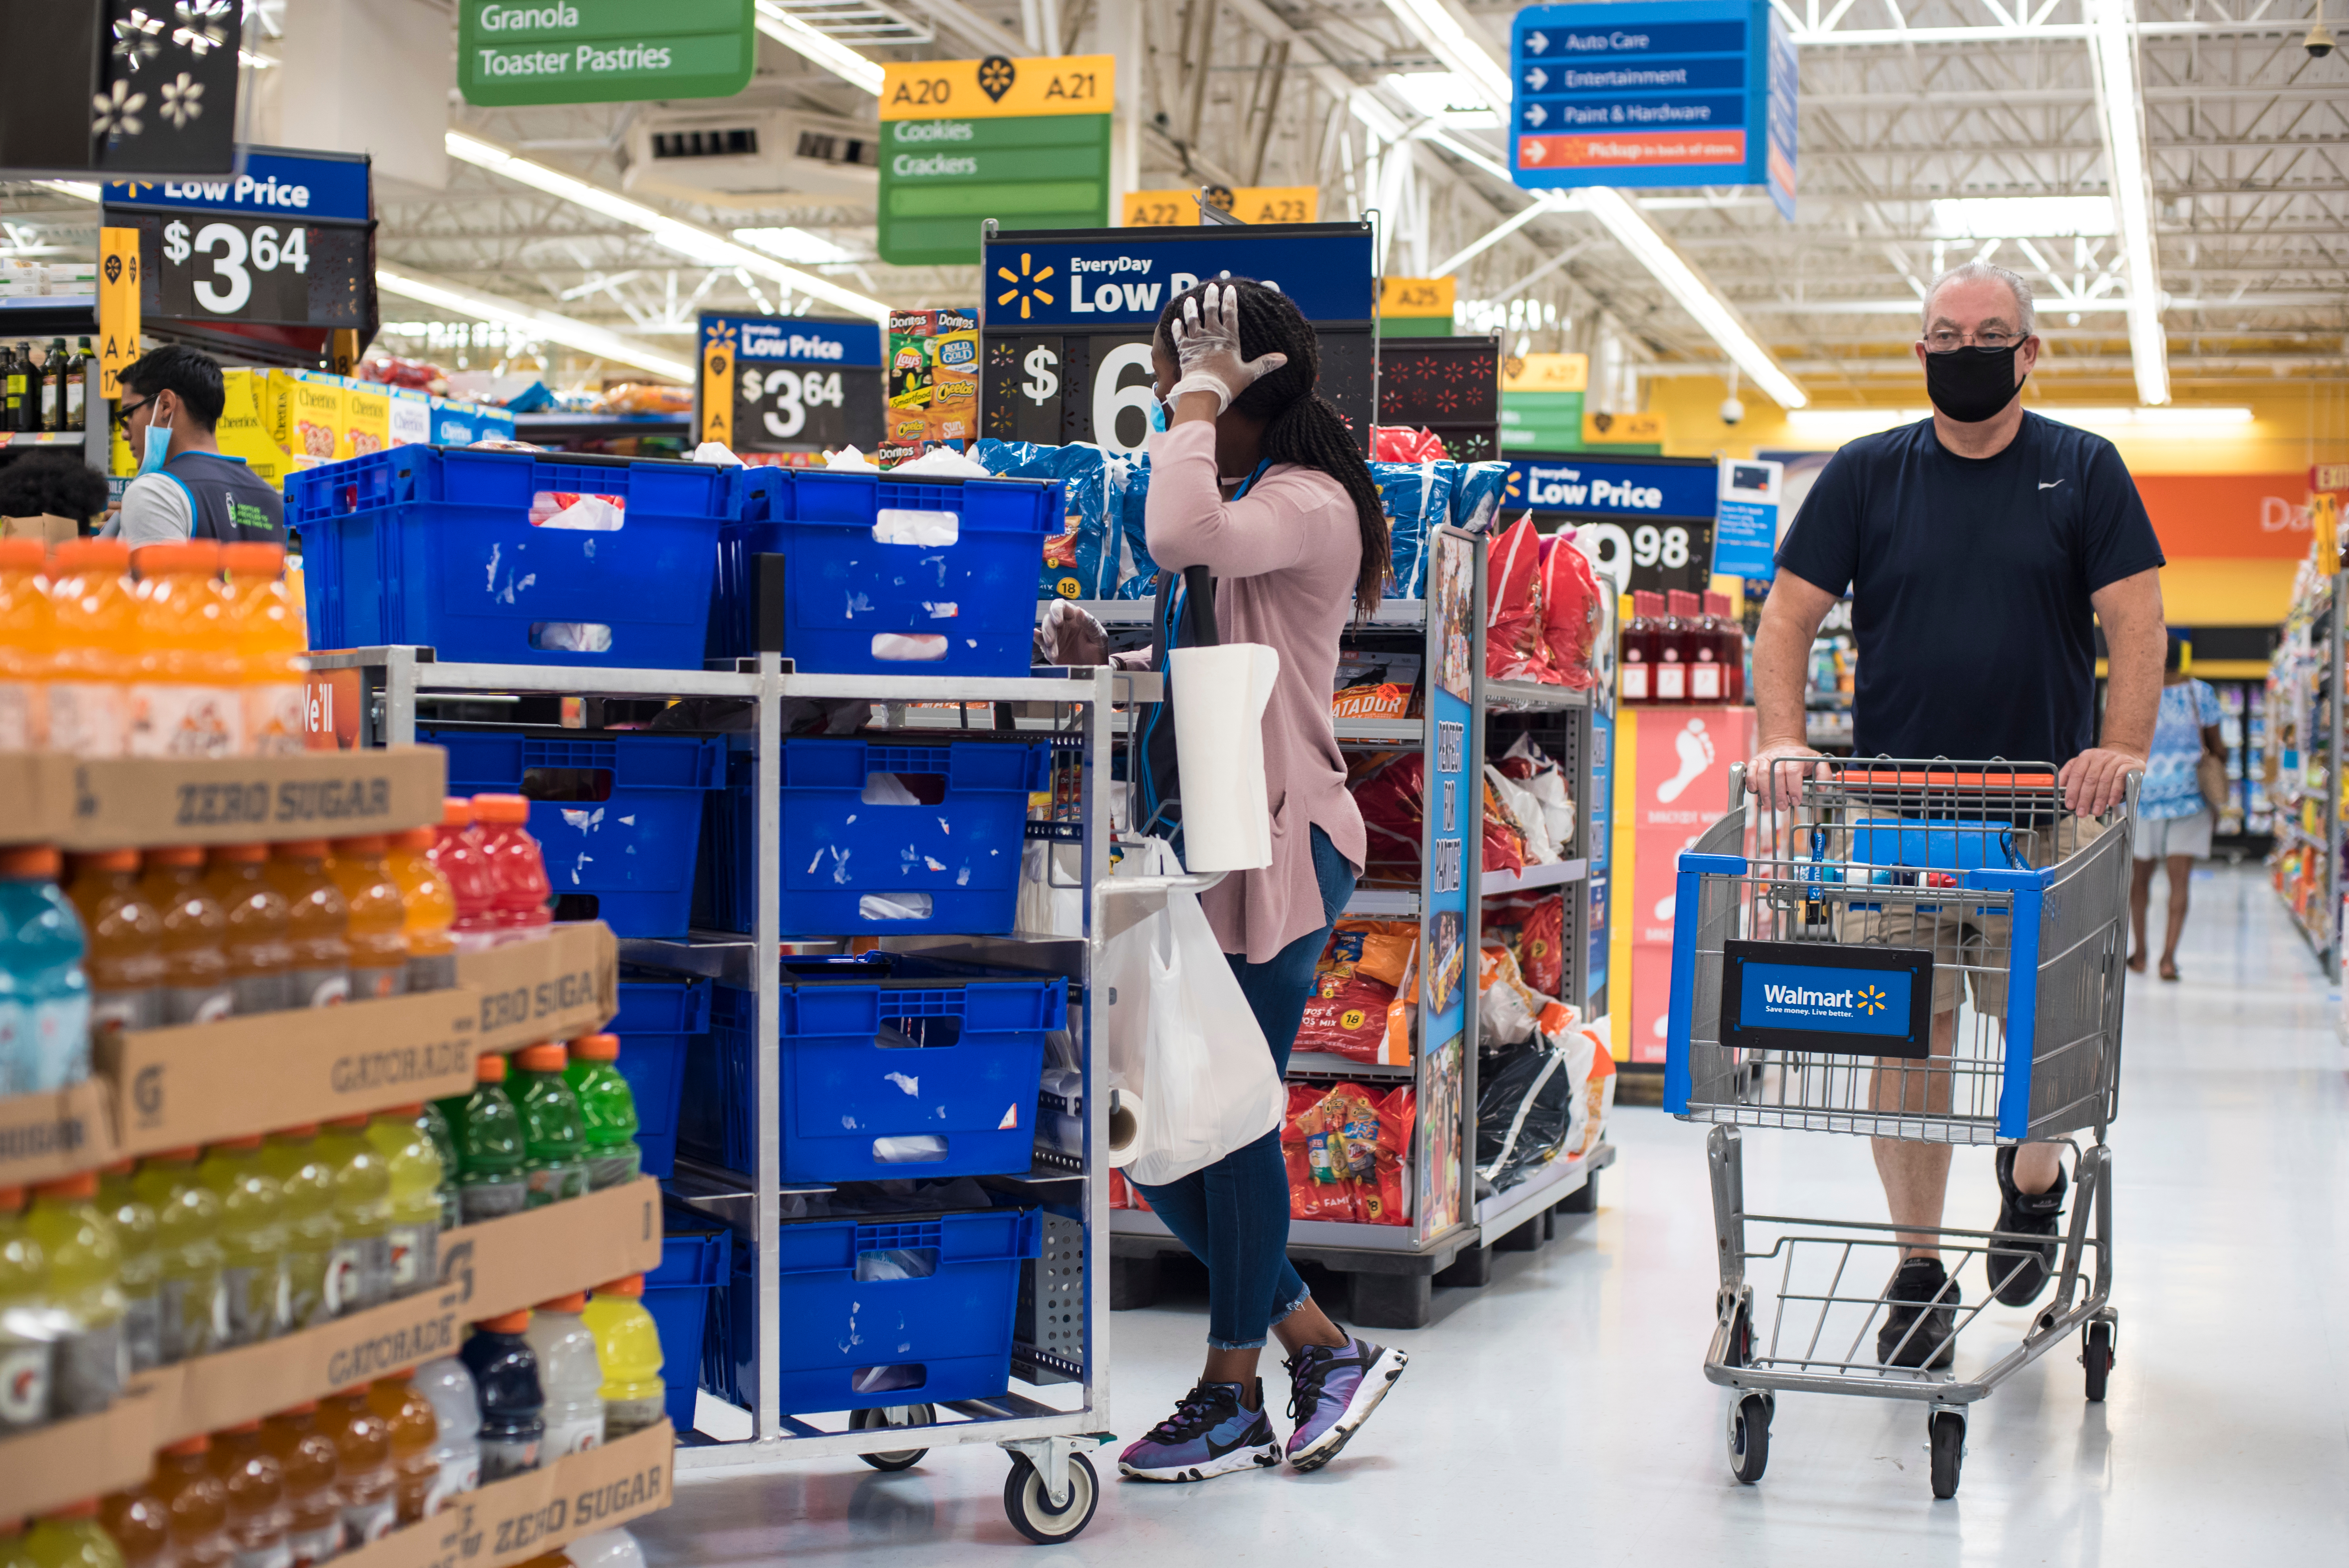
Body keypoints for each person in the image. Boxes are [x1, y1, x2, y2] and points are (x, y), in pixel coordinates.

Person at [1749, 260, 2166, 1366]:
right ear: (1920, 351)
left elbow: (2136, 621)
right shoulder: (1867, 475)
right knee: (1914, 1035)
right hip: (1899, 817)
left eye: (1991, 332)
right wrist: (1783, 737)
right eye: (1946, 332)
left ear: (2029, 353)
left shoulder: (2083, 469)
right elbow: (1786, 619)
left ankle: (2030, 1180)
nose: (1966, 347)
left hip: (2045, 815)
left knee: (2045, 1042)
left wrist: (2121, 747)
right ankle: (1919, 1265)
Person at [1071, 280, 1408, 1482]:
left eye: (1189, 363)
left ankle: (1233, 1389)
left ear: (1256, 376)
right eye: (1168, 363)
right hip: (1203, 840)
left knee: (1232, 1121)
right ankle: (1317, 1344)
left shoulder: (1311, 503)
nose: (1169, 384)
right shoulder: (1255, 498)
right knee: (1164, 1131)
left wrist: (1201, 398)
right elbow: (1203, 617)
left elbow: (1176, 537)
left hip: (1275, 844)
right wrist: (1107, 652)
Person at [104, 344, 286, 547]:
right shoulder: (270, 498)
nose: (125, 433)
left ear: (165, 405)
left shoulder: (155, 493)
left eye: (129, 414)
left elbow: (158, 580)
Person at [2130, 633, 2225, 980]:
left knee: (2138, 882)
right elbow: (2218, 748)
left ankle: (2139, 953)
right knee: (2179, 882)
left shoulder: (2137, 693)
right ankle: (2168, 959)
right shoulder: (2200, 693)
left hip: (2143, 799)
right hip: (2189, 799)